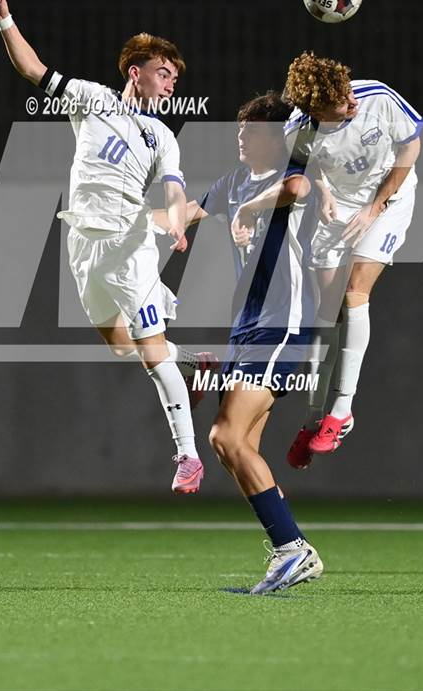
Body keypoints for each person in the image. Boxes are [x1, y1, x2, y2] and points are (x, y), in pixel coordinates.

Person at [0, 0, 215, 493]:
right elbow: (33, 70)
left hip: (130, 242)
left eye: (176, 77)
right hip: (84, 243)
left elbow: (174, 185)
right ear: (136, 71)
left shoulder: (163, 136)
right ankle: (193, 362)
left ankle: (188, 456)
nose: (172, 83)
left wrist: (176, 220)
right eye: (163, 72)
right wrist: (6, 22)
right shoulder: (93, 100)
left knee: (150, 352)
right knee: (118, 346)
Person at [154, 92, 324, 594]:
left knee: (223, 437)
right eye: (239, 129)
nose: (240, 137)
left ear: (276, 138)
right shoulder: (231, 181)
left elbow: (301, 186)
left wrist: (252, 206)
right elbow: (185, 213)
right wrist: (136, 226)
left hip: (284, 324)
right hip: (249, 327)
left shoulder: (283, 175)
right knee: (239, 447)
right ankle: (285, 551)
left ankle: (294, 550)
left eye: (250, 131)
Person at [282, 52, 423, 468]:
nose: (350, 101)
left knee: (353, 293)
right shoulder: (298, 129)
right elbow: (307, 167)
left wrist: (376, 206)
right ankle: (312, 420)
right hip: (339, 208)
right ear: (315, 110)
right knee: (324, 316)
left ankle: (341, 411)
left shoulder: (376, 96)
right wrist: (322, 189)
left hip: (388, 197)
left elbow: (411, 147)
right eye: (338, 101)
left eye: (347, 90)